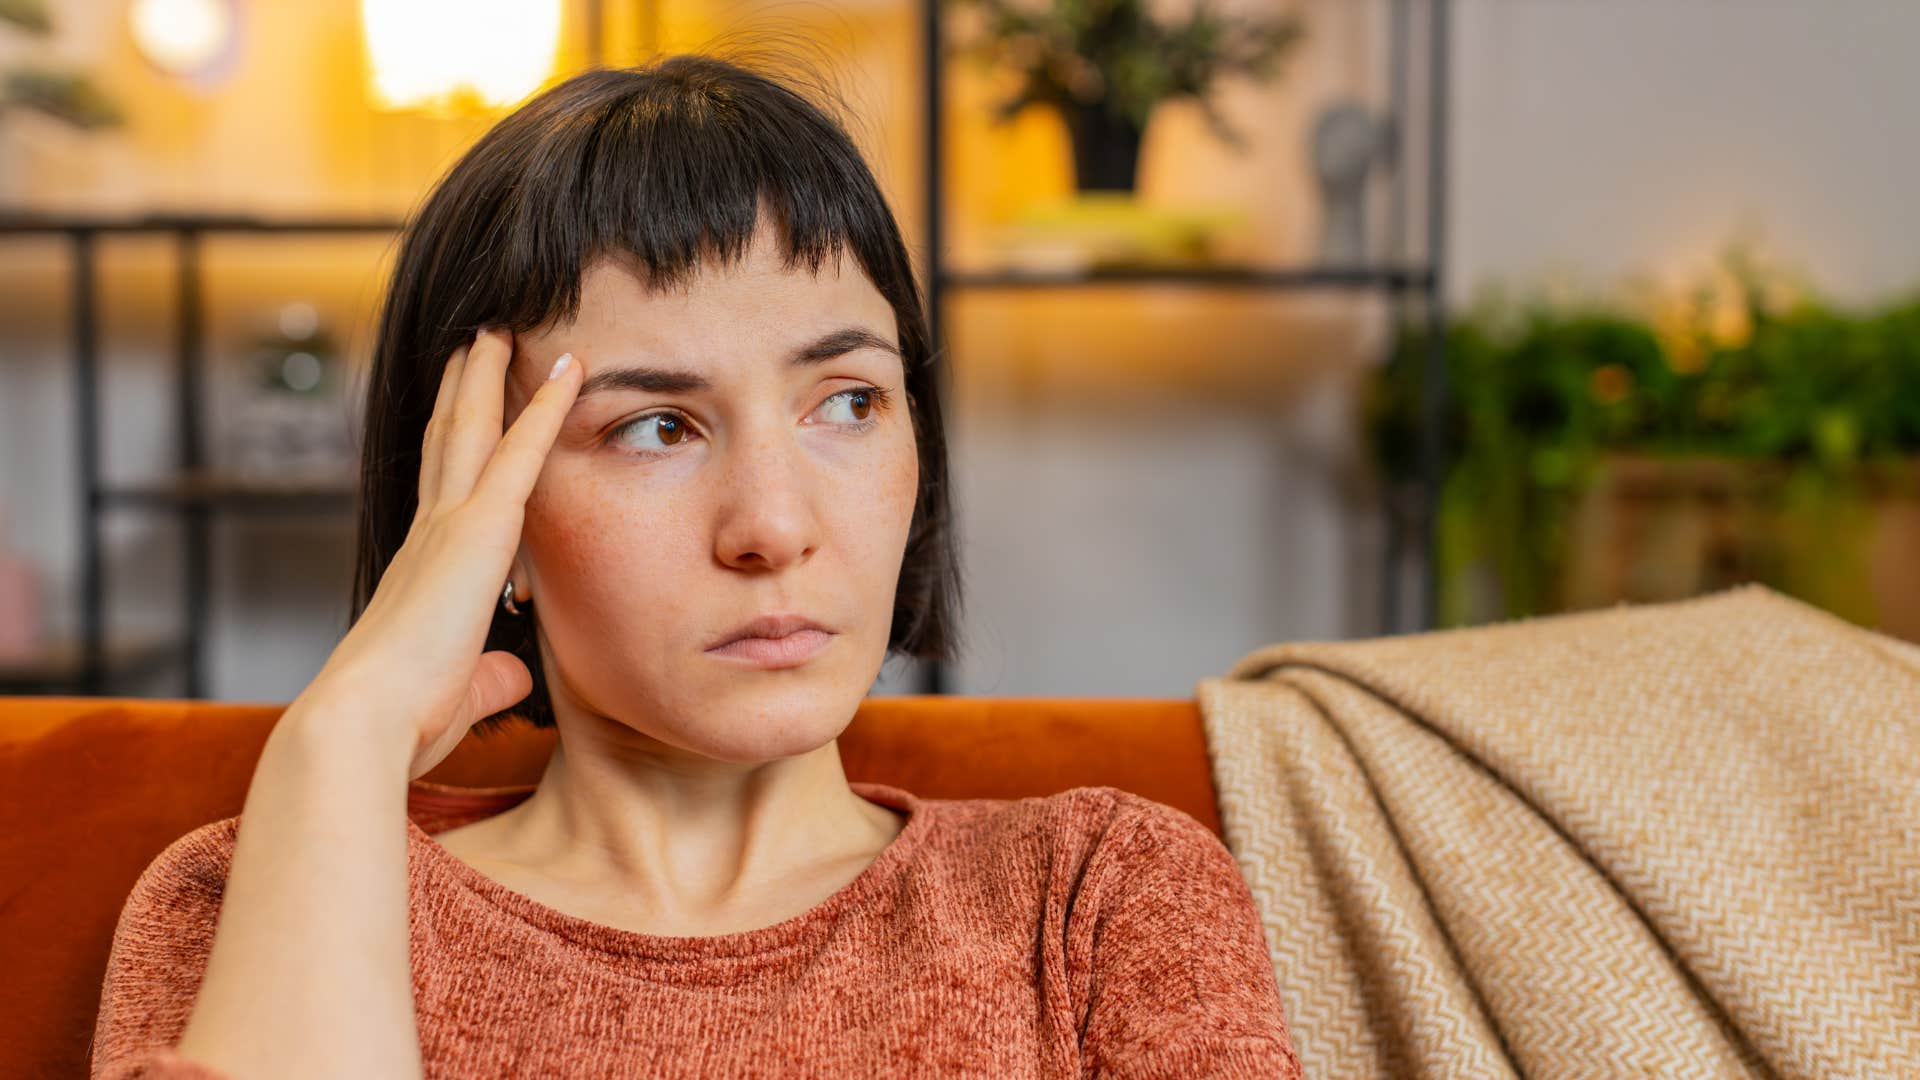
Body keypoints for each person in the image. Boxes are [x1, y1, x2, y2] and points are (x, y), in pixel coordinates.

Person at [88, 52, 1301, 1079]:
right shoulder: (255, 889)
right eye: (656, 426)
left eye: (846, 401)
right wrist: (343, 737)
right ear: (480, 514)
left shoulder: (1095, 898)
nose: (774, 525)